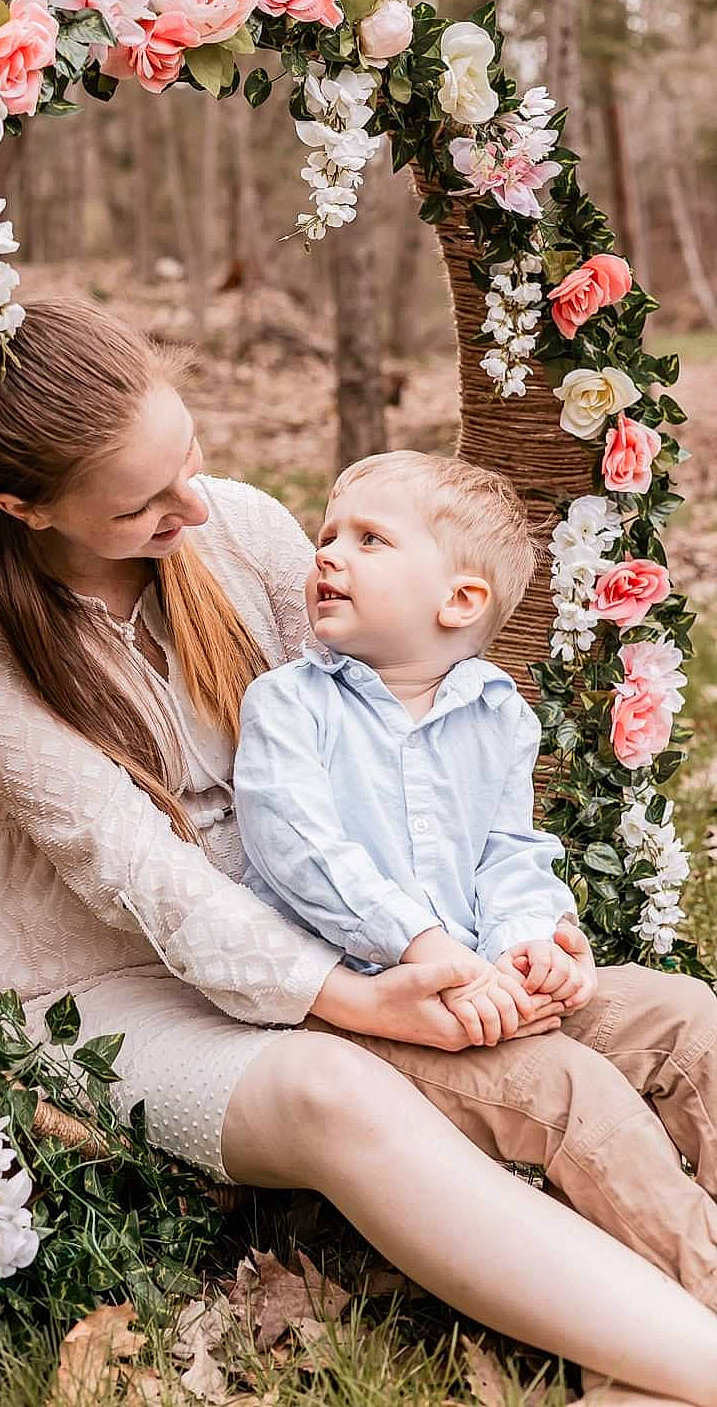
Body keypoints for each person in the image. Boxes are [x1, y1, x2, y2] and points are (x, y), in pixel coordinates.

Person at [0, 298, 717, 1405]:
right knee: (362, 1087)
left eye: (189, 458)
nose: (195, 502)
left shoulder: (235, 529)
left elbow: (382, 759)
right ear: (25, 509)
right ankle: (683, 1346)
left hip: (353, 933)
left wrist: (508, 937)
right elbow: (130, 863)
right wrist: (366, 999)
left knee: (682, 1022)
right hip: (114, 980)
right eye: (145, 503)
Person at [234, 450, 591, 1050]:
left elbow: (508, 850)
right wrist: (429, 948)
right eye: (328, 535)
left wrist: (524, 943)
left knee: (686, 1016)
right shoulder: (287, 703)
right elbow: (301, 850)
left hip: (480, 979)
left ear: (458, 602)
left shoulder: (499, 715)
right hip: (369, 1009)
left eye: (370, 540)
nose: (326, 554)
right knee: (576, 1096)